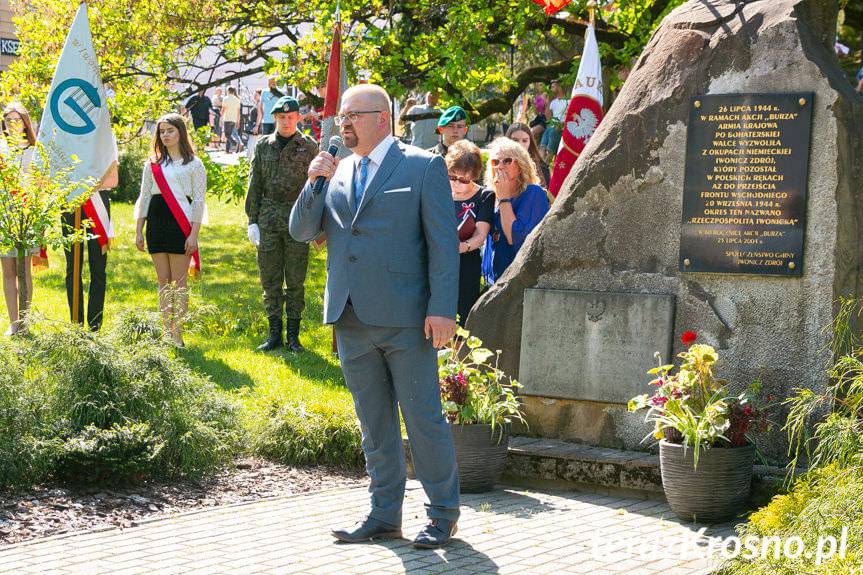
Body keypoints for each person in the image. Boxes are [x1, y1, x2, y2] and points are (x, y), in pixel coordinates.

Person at [289, 84, 460, 549]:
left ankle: (443, 514)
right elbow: (302, 230)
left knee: (423, 420)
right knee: (374, 423)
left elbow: (443, 245)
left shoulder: (422, 166)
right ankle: (384, 514)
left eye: (352, 115)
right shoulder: (337, 170)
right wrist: (314, 181)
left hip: (406, 318)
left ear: (382, 118)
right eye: (341, 116)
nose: (342, 123)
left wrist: (442, 308)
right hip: (350, 317)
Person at [245, 96, 318, 352]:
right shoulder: (264, 145)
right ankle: (274, 334)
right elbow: (254, 184)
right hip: (269, 218)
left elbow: (318, 188)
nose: (286, 122)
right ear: (274, 118)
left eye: (290, 117)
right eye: (281, 117)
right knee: (270, 280)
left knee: (296, 281)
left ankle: (293, 337)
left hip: (298, 218)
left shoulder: (309, 146)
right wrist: (252, 220)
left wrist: (315, 222)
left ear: (298, 117)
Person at [134, 114, 207, 347]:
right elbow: (144, 196)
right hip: (156, 223)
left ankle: (178, 333)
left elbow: (198, 201)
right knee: (163, 281)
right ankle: (166, 330)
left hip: (180, 225)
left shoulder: (194, 164)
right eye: (162, 131)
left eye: (170, 131)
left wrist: (193, 234)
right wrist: (138, 230)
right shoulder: (152, 164)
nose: (165, 135)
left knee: (180, 281)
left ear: (181, 133)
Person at [481, 137, 550, 285]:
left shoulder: (533, 193)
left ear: (520, 165)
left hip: (520, 282)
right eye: (495, 162)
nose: (500, 166)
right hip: (494, 282)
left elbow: (515, 237)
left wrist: (505, 199)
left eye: (507, 161)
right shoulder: (490, 197)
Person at [0, 103, 38, 336]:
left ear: (25, 122)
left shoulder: (34, 150)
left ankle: (25, 322)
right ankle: (13, 323)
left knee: (24, 271)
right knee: (8, 270)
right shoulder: (1, 149)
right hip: (4, 214)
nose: (12, 124)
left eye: (17, 119)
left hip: (26, 214)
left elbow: (39, 185)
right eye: (8, 119)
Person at [445, 140, 492, 325]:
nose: (456, 183)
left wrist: (461, 247)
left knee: (462, 319)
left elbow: (481, 235)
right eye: (451, 177)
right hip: (438, 264)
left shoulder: (484, 196)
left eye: (463, 179)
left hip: (466, 264)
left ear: (474, 175)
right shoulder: (439, 192)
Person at [506, 122, 550, 188]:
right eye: (515, 140)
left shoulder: (542, 167)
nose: (520, 145)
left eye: (524, 141)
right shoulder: (499, 164)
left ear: (530, 142)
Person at [540, 80, 568, 161]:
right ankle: (543, 166)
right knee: (542, 146)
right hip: (551, 127)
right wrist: (548, 101)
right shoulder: (553, 102)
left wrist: (561, 125)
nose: (551, 89)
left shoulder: (568, 101)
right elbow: (548, 118)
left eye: (553, 87)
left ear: (559, 87)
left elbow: (571, 117)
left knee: (553, 133)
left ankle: (546, 164)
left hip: (560, 128)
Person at [221, 86, 243, 153]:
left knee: (227, 135)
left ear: (228, 91)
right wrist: (238, 122)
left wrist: (220, 117)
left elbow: (223, 110)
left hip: (227, 119)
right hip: (234, 119)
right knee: (230, 134)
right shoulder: (237, 99)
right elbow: (238, 112)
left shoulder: (226, 98)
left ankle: (235, 144)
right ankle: (228, 150)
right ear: (234, 91)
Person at [246, 88, 263, 159]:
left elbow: (260, 115)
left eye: (256, 95)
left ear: (260, 95)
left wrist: (256, 126)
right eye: (254, 95)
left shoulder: (259, 103)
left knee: (251, 144)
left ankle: (249, 160)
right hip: (253, 126)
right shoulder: (257, 103)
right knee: (253, 144)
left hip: (255, 126)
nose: (254, 96)